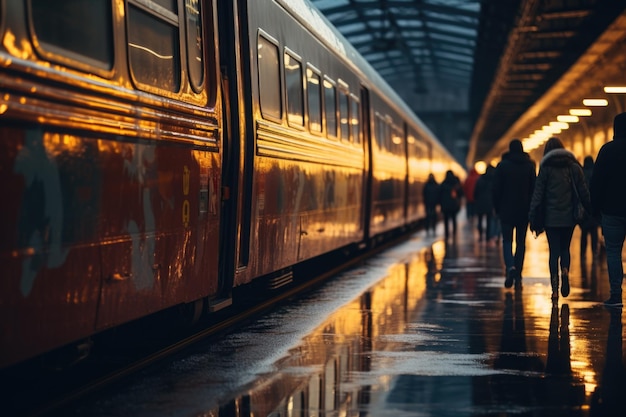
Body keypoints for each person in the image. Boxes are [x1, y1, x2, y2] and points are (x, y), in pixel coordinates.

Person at [529, 137, 590, 300]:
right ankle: (565, 271)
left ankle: (555, 289)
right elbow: (583, 191)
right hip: (569, 217)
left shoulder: (545, 169)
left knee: (553, 252)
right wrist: (591, 209)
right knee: (565, 249)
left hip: (551, 218)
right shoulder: (574, 167)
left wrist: (533, 213)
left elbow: (538, 194)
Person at [590, 111, 626, 307]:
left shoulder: (607, 150)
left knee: (613, 252)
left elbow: (596, 182)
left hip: (612, 211)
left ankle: (616, 295)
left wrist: (594, 209)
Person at [493, 139, 536, 288]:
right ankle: (518, 275)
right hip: (524, 211)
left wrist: (497, 208)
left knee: (507, 241)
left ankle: (510, 267)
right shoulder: (530, 166)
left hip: (506, 210)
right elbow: (533, 190)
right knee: (521, 243)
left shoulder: (502, 166)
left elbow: (496, 190)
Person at [580, 156, 599, 262]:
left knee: (584, 232)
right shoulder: (595, 172)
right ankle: (594, 252)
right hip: (594, 207)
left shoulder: (581, 173)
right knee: (594, 232)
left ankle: (582, 254)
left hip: (584, 208)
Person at [439, 170, 463, 241]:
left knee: (446, 220)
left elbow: (439, 194)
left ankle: (447, 234)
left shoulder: (443, 183)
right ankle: (454, 233)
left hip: (445, 205)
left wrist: (440, 203)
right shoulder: (455, 184)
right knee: (454, 219)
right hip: (454, 205)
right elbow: (460, 193)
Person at [474, 164, 496, 241]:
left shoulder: (480, 179)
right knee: (489, 220)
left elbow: (476, 191)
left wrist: (476, 200)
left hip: (480, 202)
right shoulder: (493, 180)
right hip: (490, 202)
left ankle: (480, 235)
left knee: (480, 219)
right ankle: (487, 236)